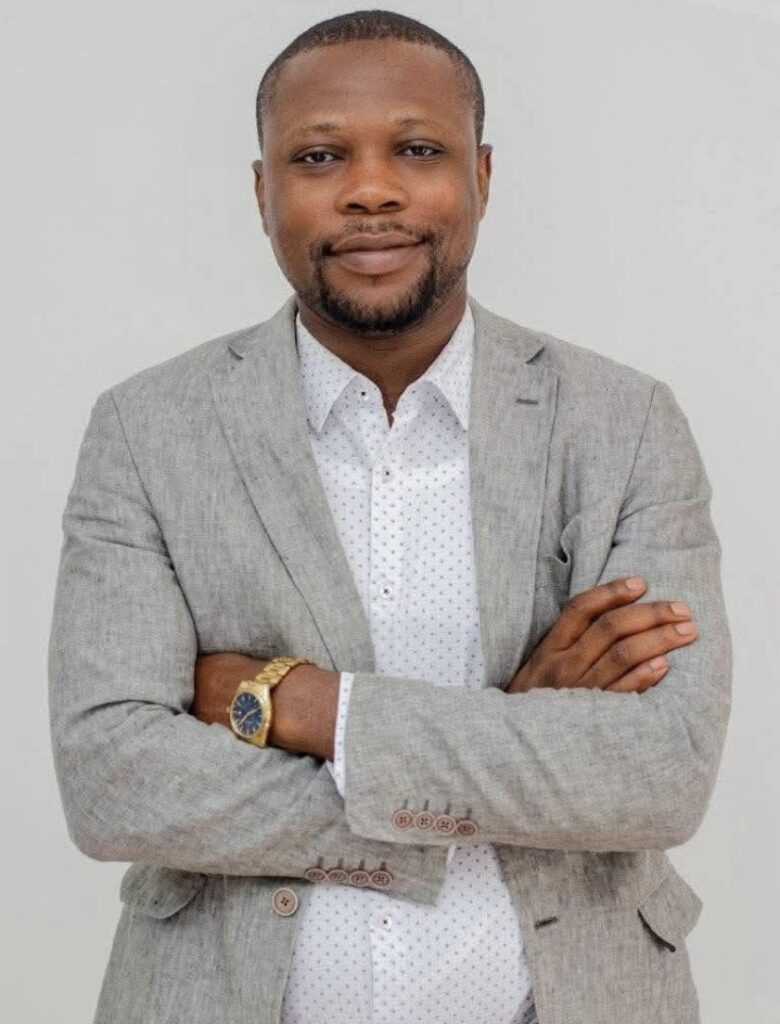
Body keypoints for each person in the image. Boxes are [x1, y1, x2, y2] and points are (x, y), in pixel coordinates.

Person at [47, 10, 732, 1024]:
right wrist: (510, 746)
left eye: (417, 150)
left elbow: (660, 774)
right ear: (262, 192)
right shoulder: (148, 430)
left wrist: (305, 706)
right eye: (320, 156)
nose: (371, 189)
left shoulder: (624, 423)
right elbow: (113, 781)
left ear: (482, 176)